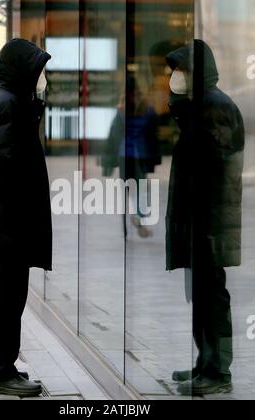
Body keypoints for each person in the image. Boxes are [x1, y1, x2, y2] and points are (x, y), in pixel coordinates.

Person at [165, 40, 245, 396]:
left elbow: (217, 166)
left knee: (212, 295)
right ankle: (205, 362)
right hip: (199, 220)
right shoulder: (201, 106)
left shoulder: (216, 108)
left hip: (211, 221)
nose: (173, 77)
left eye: (180, 70)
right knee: (201, 294)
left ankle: (218, 372)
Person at [0, 38, 53, 397]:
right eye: (40, 73)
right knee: (9, 296)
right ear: (24, 71)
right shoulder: (9, 106)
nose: (45, 81)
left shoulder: (7, 101)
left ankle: (1, 365)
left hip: (9, 219)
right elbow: (12, 166)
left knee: (8, 294)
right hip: (12, 220)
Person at [102, 76, 161, 238]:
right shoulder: (147, 109)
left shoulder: (121, 110)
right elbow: (153, 134)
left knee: (127, 189)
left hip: (124, 155)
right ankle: (138, 216)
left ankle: (128, 223)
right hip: (140, 154)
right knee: (140, 188)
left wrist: (109, 158)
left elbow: (114, 135)